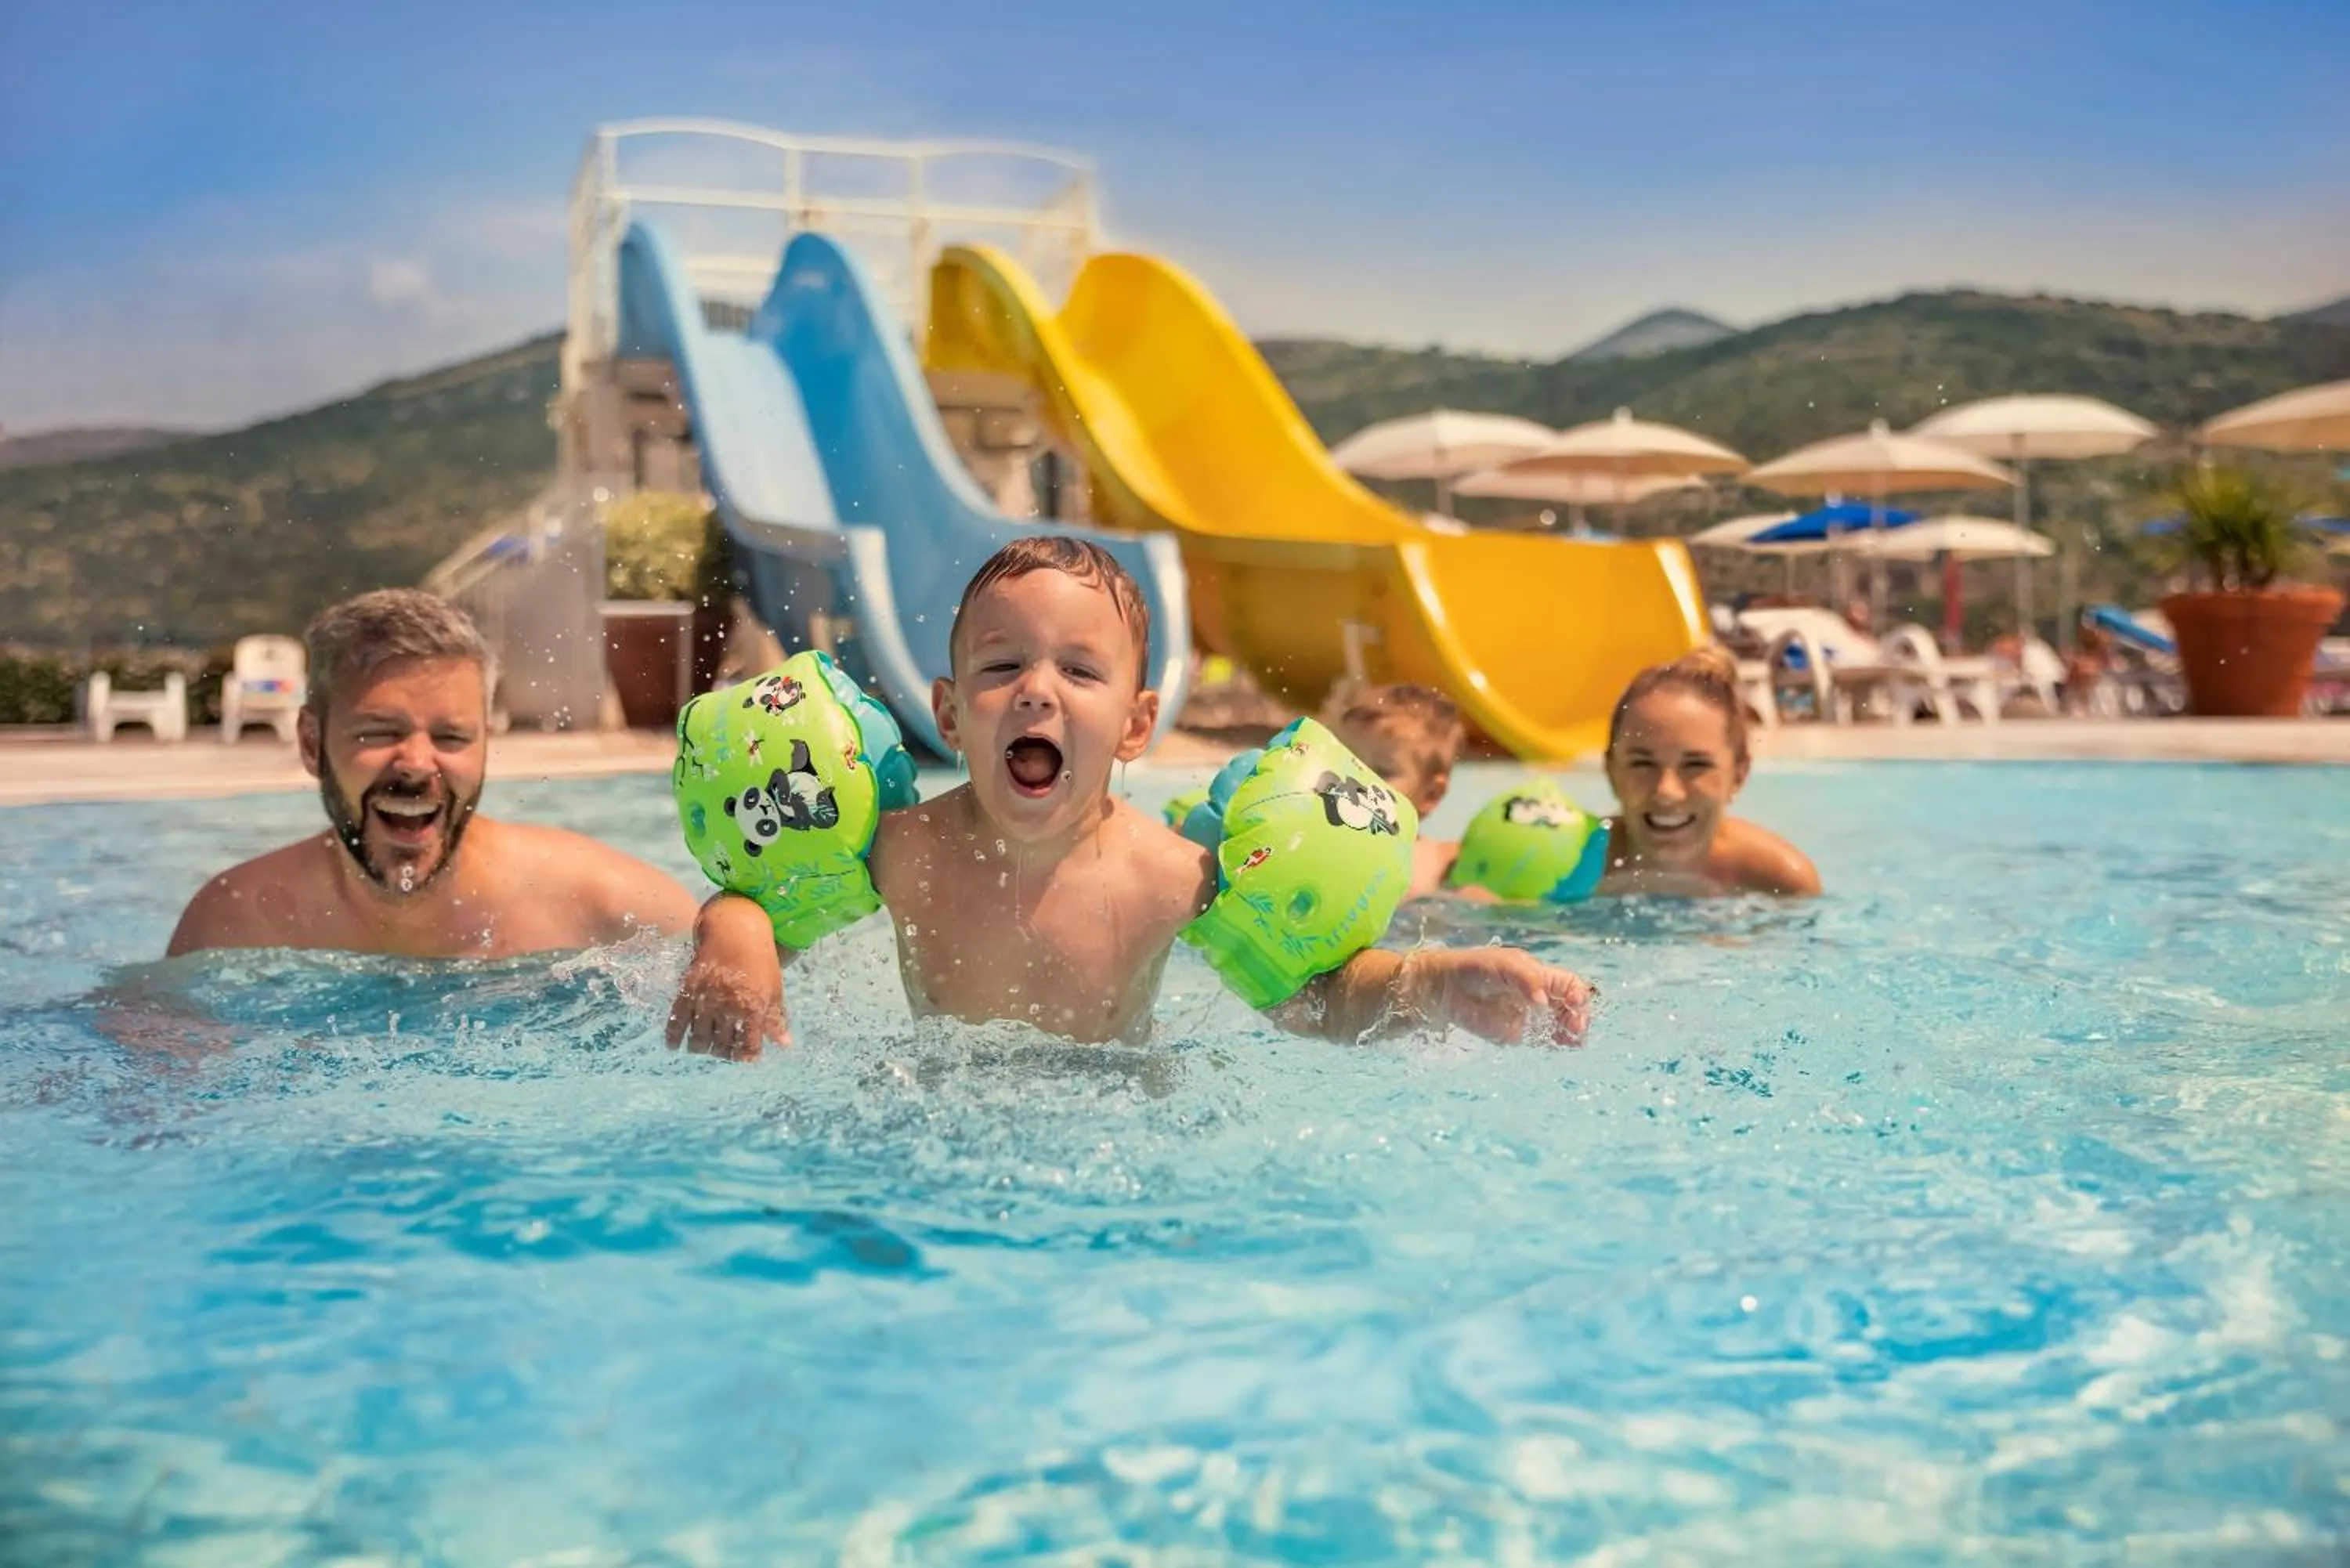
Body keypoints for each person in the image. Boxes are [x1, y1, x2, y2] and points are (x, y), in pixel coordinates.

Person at [669, 537, 1593, 1056]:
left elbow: (1313, 999)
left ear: (1137, 725)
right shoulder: (903, 851)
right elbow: (771, 900)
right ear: (948, 713)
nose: (1038, 688)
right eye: (1002, 666)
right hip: (938, 1126)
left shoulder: (1171, 875)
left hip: (1118, 1131)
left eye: (1079, 668)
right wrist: (736, 939)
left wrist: (1437, 982)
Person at [168, 589, 699, 959]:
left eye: (451, 738)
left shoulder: (593, 900)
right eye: (377, 733)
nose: (417, 766)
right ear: (312, 744)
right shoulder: (237, 923)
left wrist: (734, 927)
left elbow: (736, 949)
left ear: (486, 744)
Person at [1594, 646, 1820, 898]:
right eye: (1642, 764)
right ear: (1612, 771)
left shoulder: (1780, 883)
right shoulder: (1569, 866)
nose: (1667, 792)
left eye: (1695, 765)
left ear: (1738, 775)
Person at [1328, 684, 1476, 901]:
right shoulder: (1321, 844)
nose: (1357, 780)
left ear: (1430, 795)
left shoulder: (1443, 863)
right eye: (1348, 762)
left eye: (1383, 772)